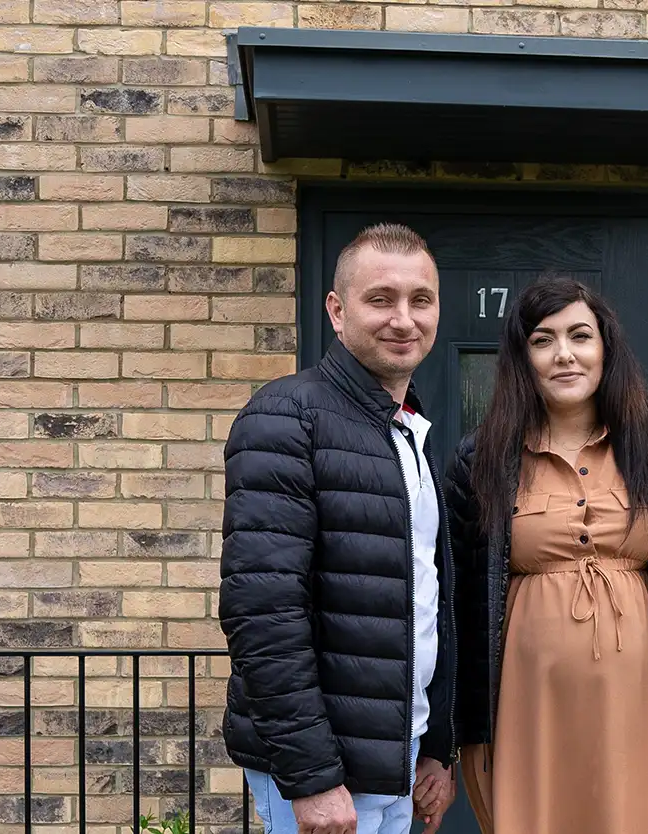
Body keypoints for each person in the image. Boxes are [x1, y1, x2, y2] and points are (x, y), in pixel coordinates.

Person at [444, 276, 648, 834]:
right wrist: (463, 734)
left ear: (605, 347)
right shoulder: (481, 460)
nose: (564, 354)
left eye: (580, 336)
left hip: (641, 712)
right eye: (542, 340)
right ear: (522, 357)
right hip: (528, 718)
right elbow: (459, 609)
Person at [219, 223, 457, 834]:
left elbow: (427, 603)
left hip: (394, 755)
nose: (403, 319)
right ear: (336, 309)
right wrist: (312, 777)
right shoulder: (284, 416)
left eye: (420, 300)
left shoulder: (409, 431)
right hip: (326, 773)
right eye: (380, 299)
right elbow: (263, 616)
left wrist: (435, 747)